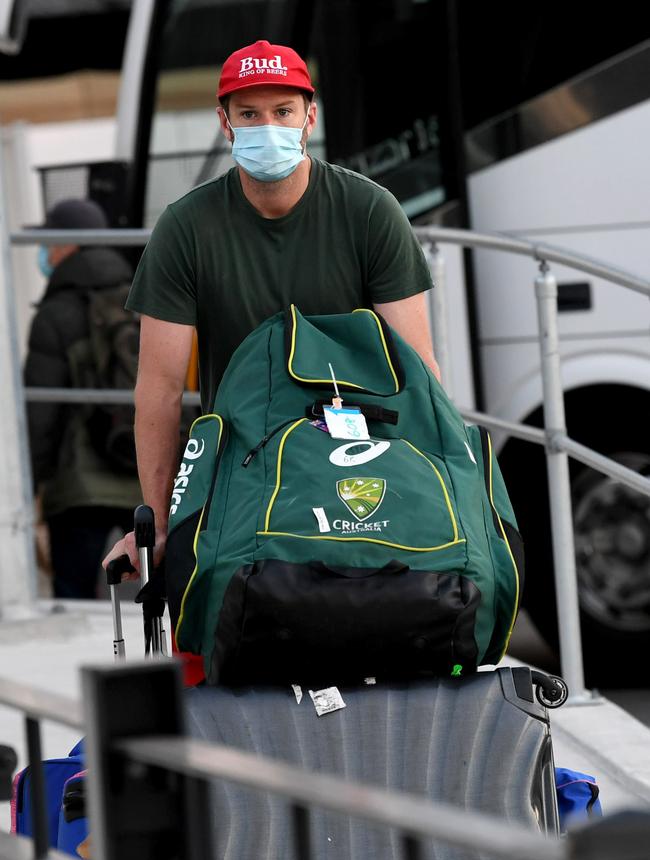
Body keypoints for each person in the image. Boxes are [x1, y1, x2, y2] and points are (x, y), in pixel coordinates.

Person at [103, 38, 440, 580]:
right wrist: (158, 526)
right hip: (243, 475)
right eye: (249, 114)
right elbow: (160, 388)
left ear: (310, 116)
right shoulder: (186, 228)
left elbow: (418, 370)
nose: (268, 127)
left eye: (283, 111)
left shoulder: (370, 211)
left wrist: (440, 493)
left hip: (360, 467)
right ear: (225, 122)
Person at [25, 198, 142, 598]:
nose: (46, 254)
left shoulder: (55, 313)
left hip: (78, 488)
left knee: (74, 595)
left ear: (69, 246)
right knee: (160, 596)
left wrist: (34, 483)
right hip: (143, 476)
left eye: (50, 244)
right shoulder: (140, 300)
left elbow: (41, 414)